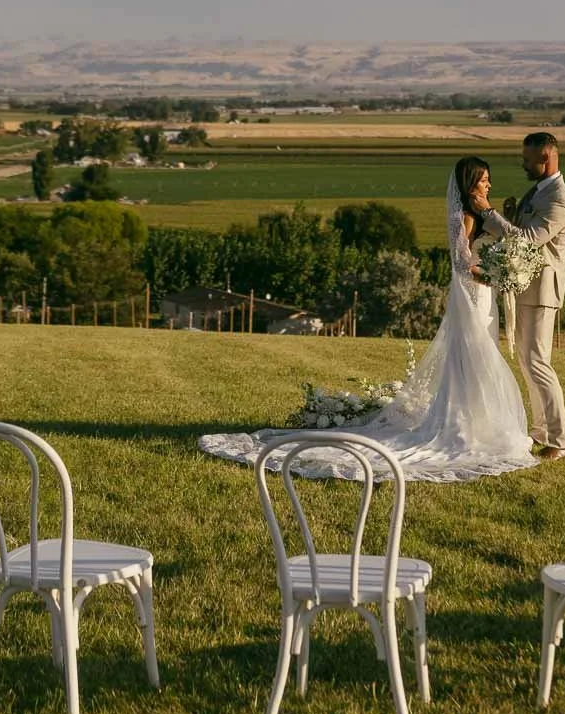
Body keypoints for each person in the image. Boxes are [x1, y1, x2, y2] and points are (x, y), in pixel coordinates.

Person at [197, 155, 537, 482]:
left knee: (475, 357)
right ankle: (463, 425)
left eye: (489, 179)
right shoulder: (463, 217)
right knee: (474, 358)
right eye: (483, 179)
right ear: (469, 183)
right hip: (473, 294)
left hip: (483, 297)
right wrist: (493, 276)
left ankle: (475, 420)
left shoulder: (478, 214)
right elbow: (463, 265)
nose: (488, 184)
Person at [473, 132, 565, 460]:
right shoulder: (540, 190)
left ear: (545, 159)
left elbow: (527, 241)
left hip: (543, 290)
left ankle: (559, 440)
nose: (523, 165)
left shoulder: (559, 199)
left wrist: (489, 214)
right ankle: (540, 431)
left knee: (537, 362)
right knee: (528, 362)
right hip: (527, 287)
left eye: (527, 160)